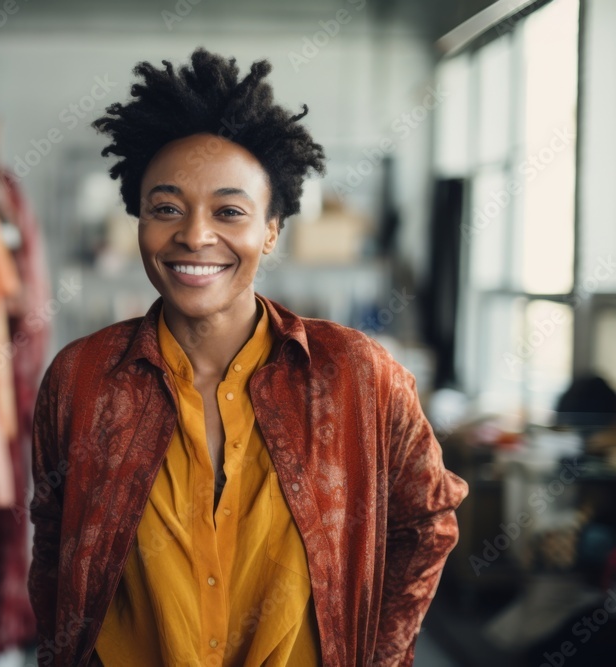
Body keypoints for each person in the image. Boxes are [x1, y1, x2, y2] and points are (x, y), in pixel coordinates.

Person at [27, 48, 468, 667]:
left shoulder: (358, 377)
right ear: (138, 220)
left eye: (229, 211)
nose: (195, 235)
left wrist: (381, 655)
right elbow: (53, 545)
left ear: (271, 229)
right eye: (166, 208)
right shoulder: (81, 379)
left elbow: (427, 522)